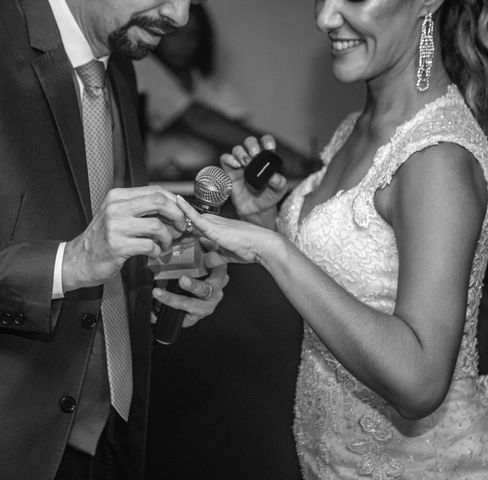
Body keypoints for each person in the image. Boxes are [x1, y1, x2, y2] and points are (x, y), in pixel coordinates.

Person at [0, 0, 228, 479]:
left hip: (105, 442)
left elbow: (89, 227)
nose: (180, 16)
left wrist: (166, 285)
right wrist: (64, 266)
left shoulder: (119, 65)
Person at [177, 0, 488, 478]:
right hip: (329, 458)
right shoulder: (356, 127)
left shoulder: (437, 157)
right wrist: (265, 220)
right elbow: (336, 297)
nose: (325, 18)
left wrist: (272, 249)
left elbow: (421, 382)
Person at [134, 3, 317, 181]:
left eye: (192, 35)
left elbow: (239, 140)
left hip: (212, 186)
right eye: (174, 34)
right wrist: (284, 155)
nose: (183, 43)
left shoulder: (209, 84)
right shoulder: (146, 70)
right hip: (166, 189)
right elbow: (199, 120)